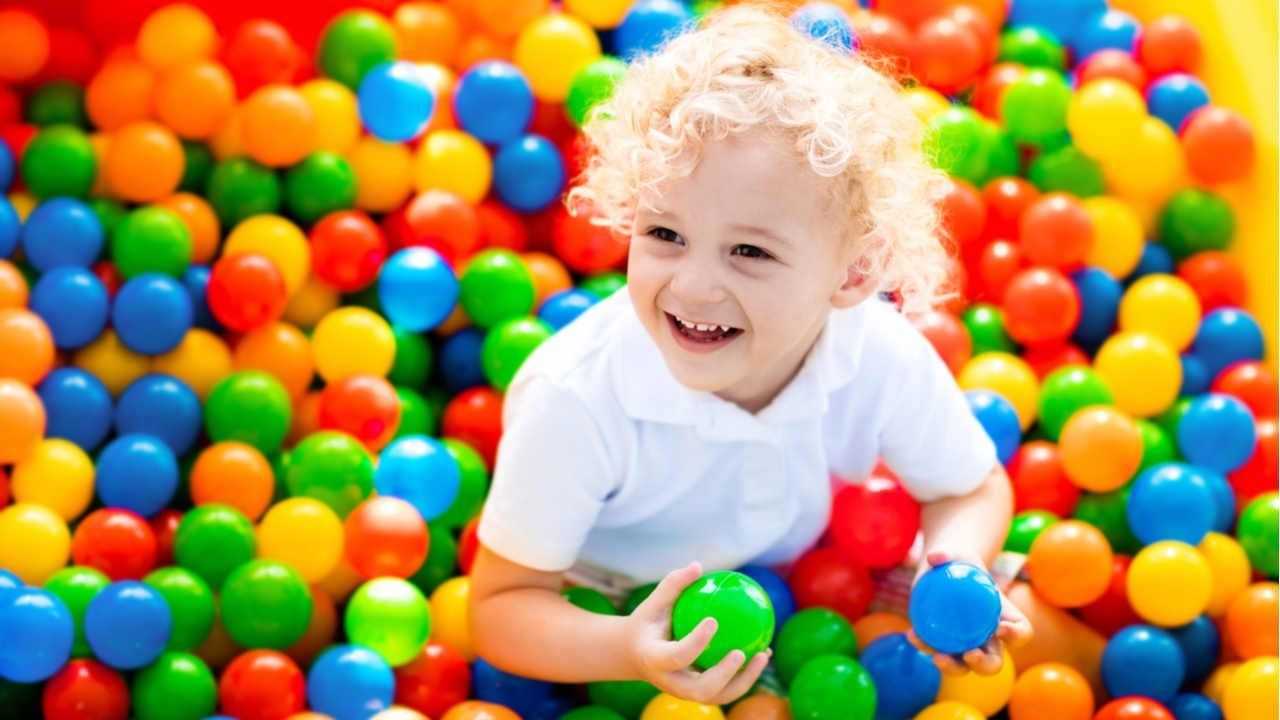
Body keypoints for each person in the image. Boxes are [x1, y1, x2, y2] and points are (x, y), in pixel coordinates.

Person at [469, 3, 1031, 707]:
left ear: (853, 275)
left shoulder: (875, 351)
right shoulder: (577, 396)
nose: (694, 284)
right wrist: (629, 649)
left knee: (1030, 621)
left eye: (750, 252)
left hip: (818, 577)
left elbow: (967, 488)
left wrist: (955, 566)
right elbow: (499, 607)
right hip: (622, 611)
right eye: (665, 234)